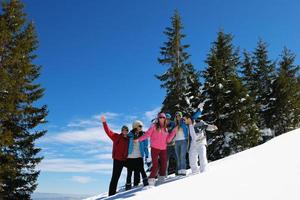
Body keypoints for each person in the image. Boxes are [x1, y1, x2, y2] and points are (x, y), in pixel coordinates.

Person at [139, 113, 178, 186]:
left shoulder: (166, 129)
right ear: (158, 118)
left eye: (163, 118)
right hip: (155, 148)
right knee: (155, 165)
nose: (162, 119)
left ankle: (161, 181)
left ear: (165, 119)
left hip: (163, 149)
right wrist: (139, 139)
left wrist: (174, 132)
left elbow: (168, 140)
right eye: (160, 118)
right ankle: (151, 182)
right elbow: (147, 134)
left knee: (164, 165)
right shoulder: (154, 126)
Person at [101, 115, 129, 196]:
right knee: (115, 177)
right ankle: (111, 194)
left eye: (126, 130)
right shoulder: (116, 137)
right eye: (123, 130)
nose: (125, 131)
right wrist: (104, 123)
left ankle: (131, 185)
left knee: (134, 167)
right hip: (117, 160)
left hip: (125, 159)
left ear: (127, 131)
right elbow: (108, 131)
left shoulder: (129, 139)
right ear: (121, 131)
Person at [125, 120, 149, 190]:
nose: (141, 127)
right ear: (135, 126)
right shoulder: (130, 135)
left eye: (141, 126)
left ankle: (146, 184)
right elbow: (126, 144)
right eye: (140, 126)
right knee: (129, 172)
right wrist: (133, 139)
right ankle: (128, 187)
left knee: (142, 170)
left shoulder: (144, 135)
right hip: (130, 156)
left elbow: (145, 146)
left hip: (139, 155)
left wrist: (147, 155)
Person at [174, 111, 189, 175]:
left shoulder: (184, 122)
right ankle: (179, 170)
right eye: (177, 116)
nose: (178, 117)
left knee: (182, 156)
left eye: (179, 116)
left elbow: (186, 128)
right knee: (178, 157)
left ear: (181, 116)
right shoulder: (174, 124)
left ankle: (183, 170)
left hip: (183, 140)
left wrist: (182, 123)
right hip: (176, 141)